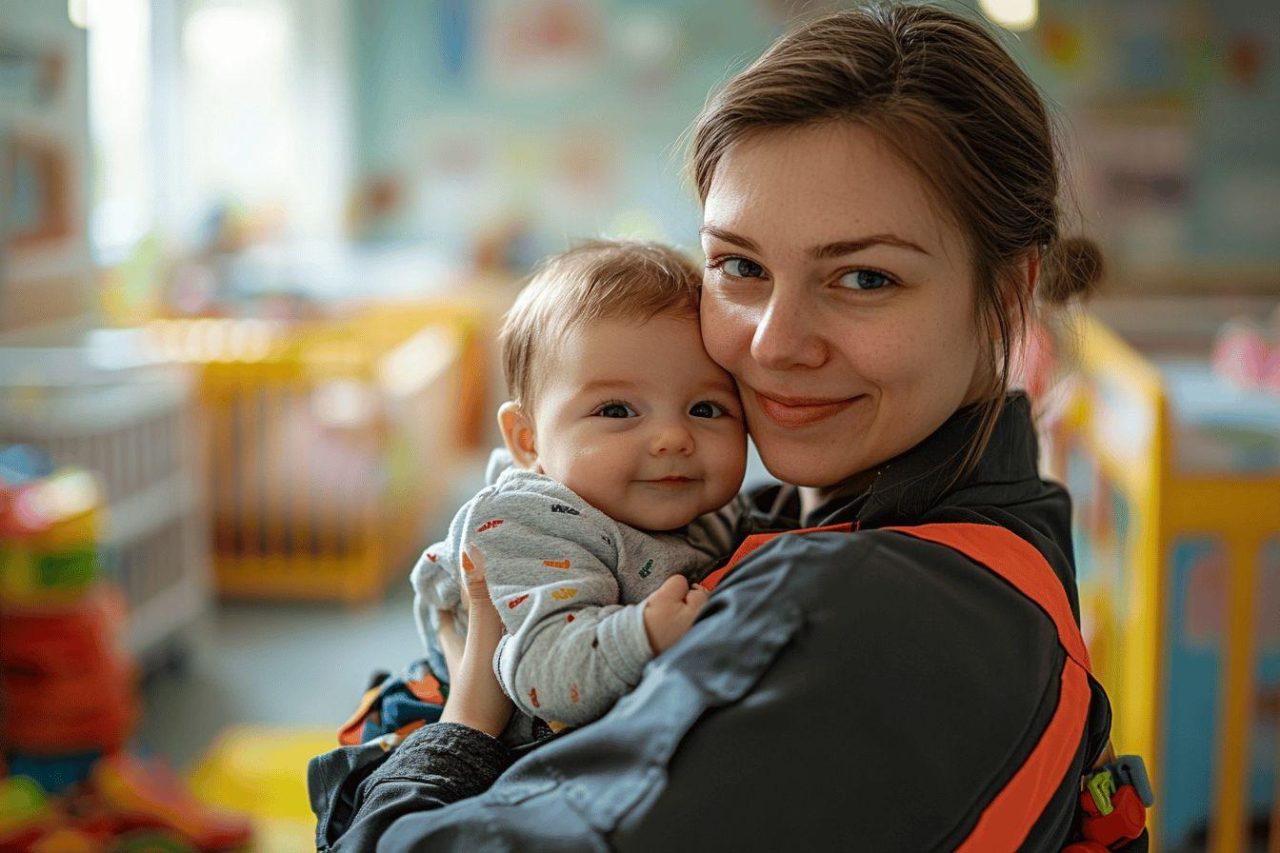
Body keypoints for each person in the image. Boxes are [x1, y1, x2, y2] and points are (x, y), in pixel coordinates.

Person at [314, 4, 1151, 850]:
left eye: (864, 278)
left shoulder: (843, 620)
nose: (775, 343)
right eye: (740, 266)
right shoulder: (974, 525)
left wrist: (460, 726)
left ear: (1006, 295)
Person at [410, 240, 747, 740]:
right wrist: (644, 636)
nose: (674, 438)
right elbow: (541, 675)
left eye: (705, 409)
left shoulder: (708, 508)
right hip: (472, 745)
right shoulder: (524, 521)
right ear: (528, 441)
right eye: (616, 411)